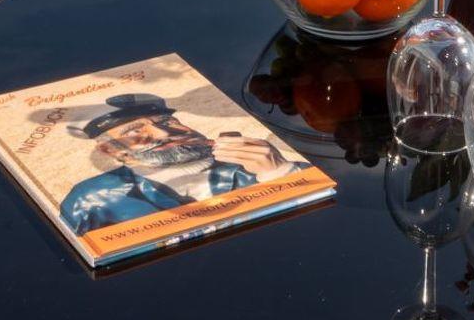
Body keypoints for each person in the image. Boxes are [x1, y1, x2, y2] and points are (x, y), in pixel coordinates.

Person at [60, 93, 298, 235]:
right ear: (111, 149)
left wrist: (280, 172)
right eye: (134, 131)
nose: (164, 134)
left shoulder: (253, 166)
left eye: (167, 122)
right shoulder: (90, 198)